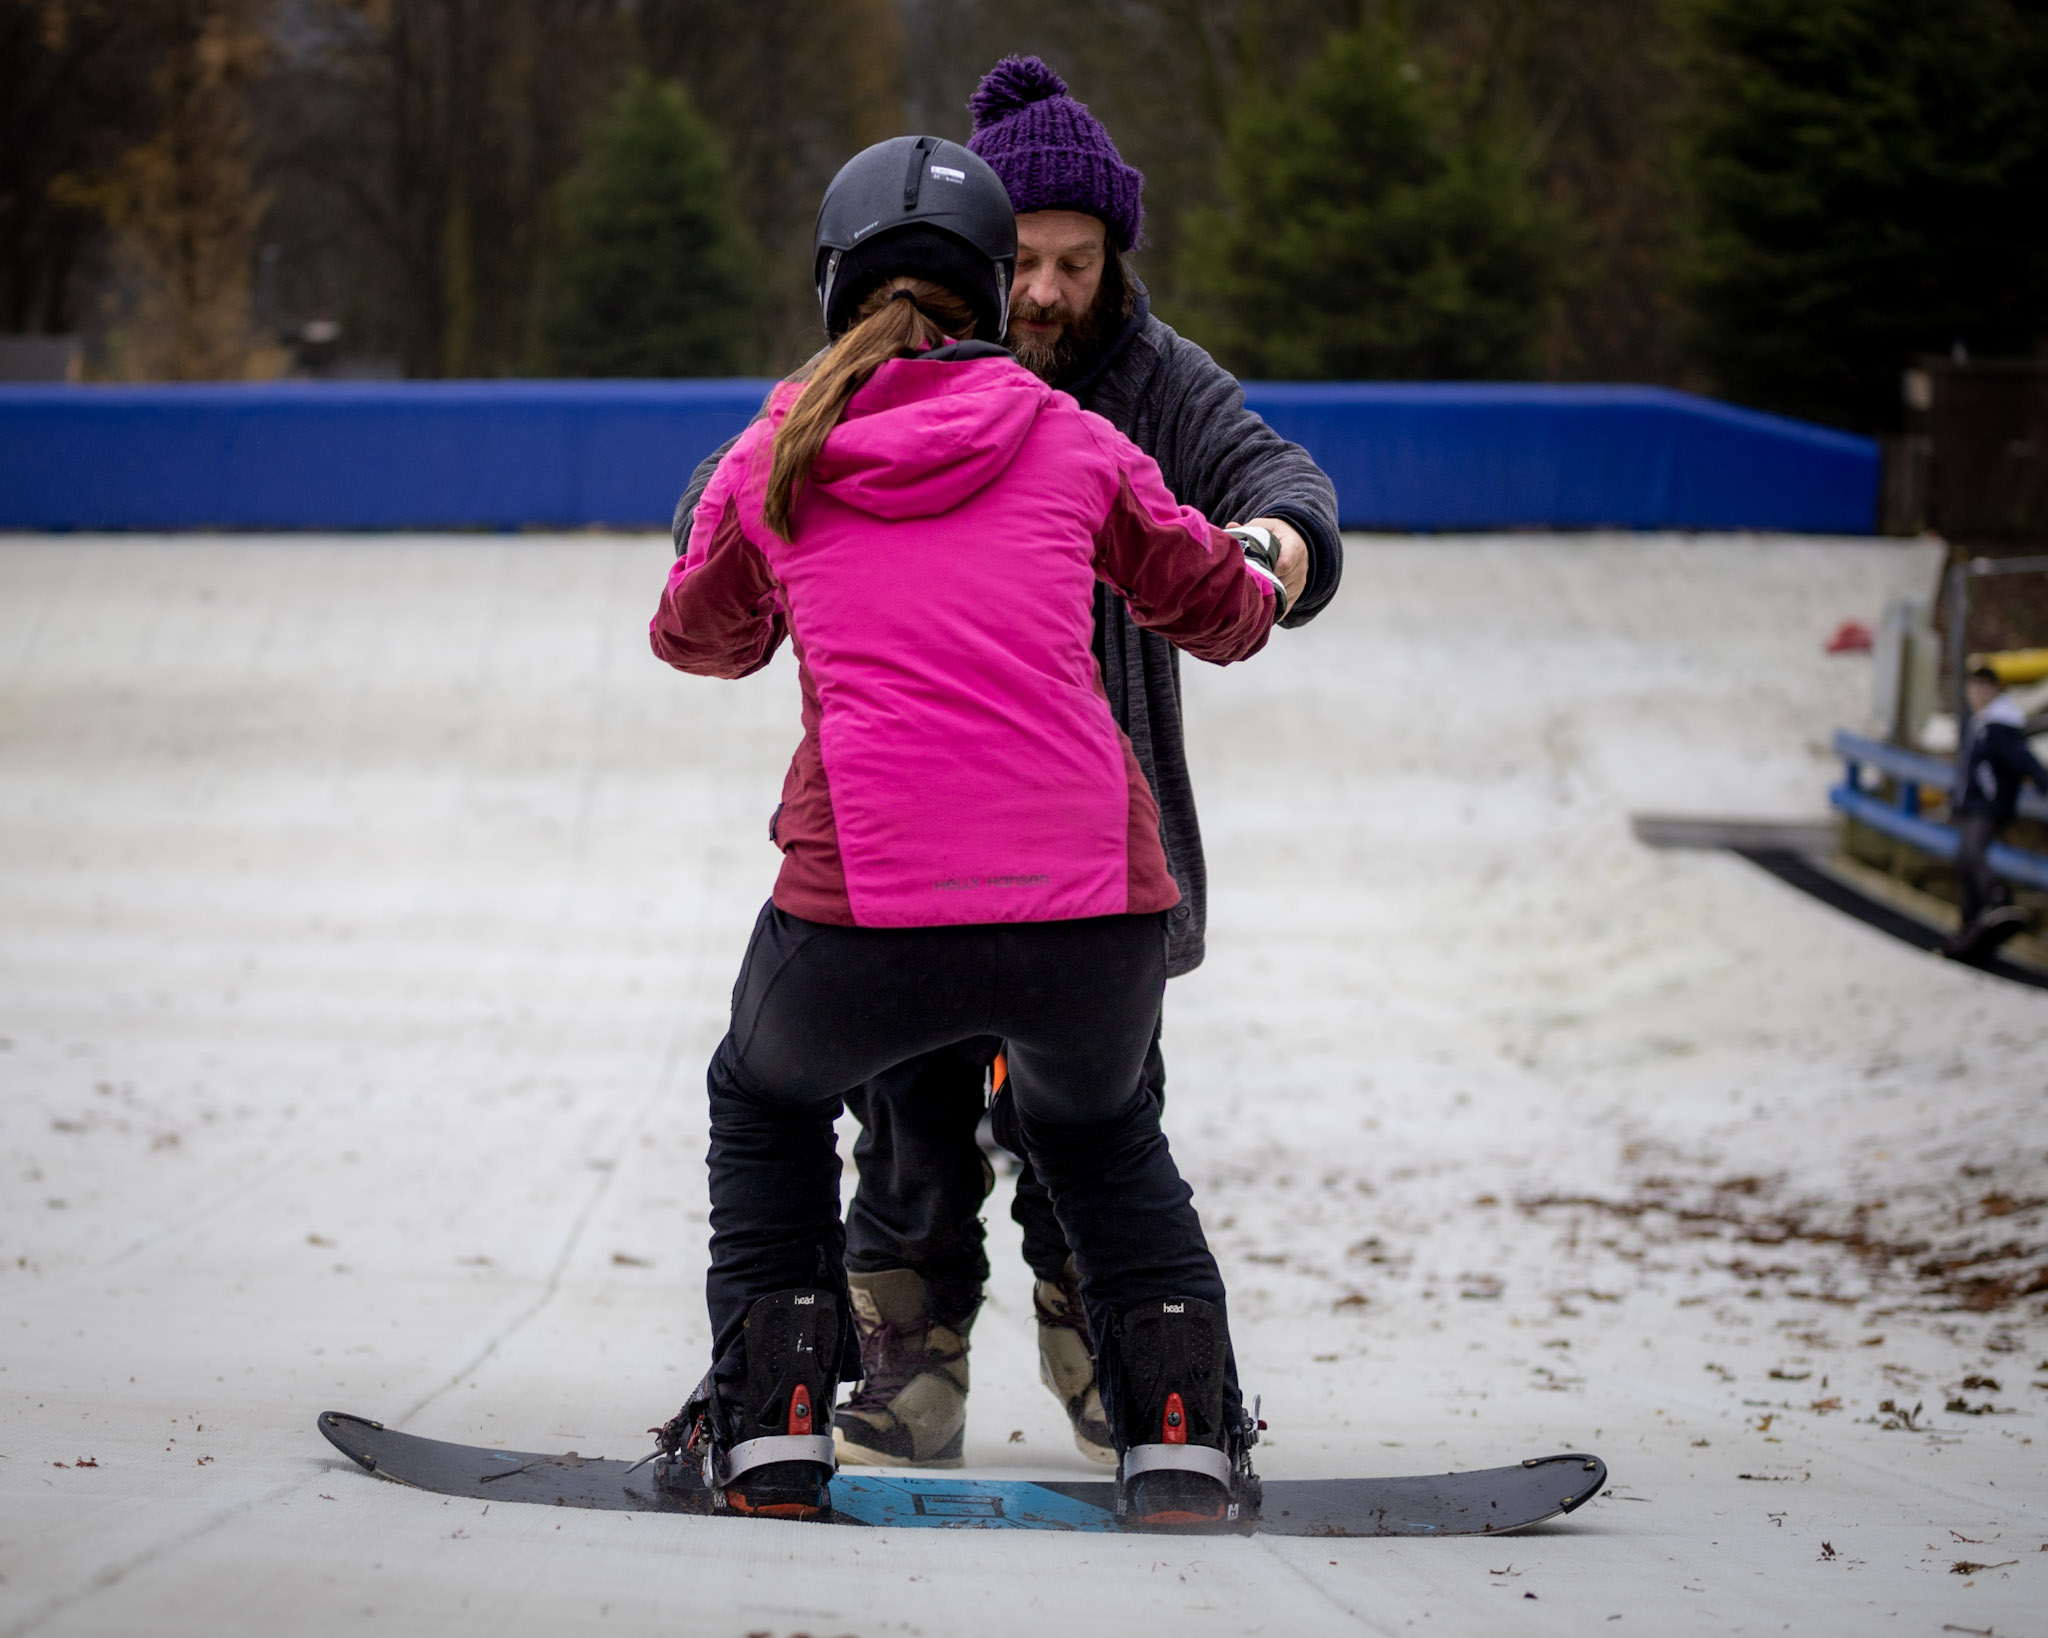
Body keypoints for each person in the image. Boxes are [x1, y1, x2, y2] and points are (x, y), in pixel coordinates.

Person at [669, 56, 1342, 1471]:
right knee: (1093, 1133)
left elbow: (699, 628)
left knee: (768, 1089)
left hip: (878, 900)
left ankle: (775, 1409)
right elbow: (1219, 608)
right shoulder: (1074, 433)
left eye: (1074, 263)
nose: (1049, 288)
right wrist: (1255, 585)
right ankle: (1177, 1422)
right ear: (989, 269)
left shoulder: (791, 432)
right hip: (1092, 902)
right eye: (1026, 263)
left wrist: (760, 545)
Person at [1941, 665, 2048, 959]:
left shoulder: (2001, 725)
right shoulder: (1982, 723)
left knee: (1973, 855)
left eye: (1983, 689)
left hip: (1988, 806)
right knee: (1964, 863)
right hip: (1973, 804)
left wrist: (2043, 782)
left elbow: (2022, 759)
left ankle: (1997, 898)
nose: (1977, 695)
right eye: (1973, 689)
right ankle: (1971, 926)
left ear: (1994, 690)